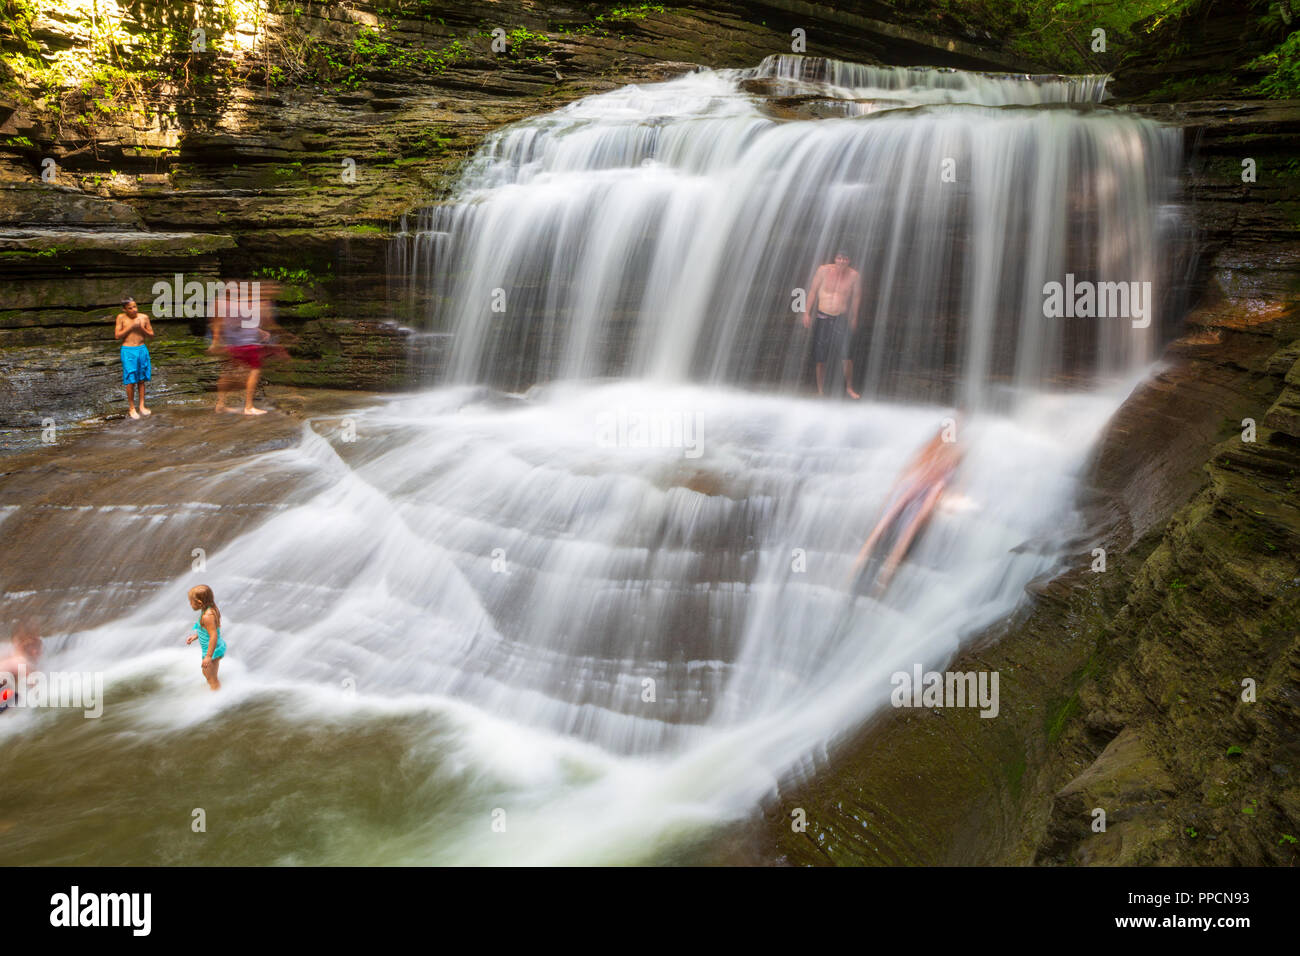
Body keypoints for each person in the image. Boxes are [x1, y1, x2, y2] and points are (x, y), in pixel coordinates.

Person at [850, 422, 963, 595]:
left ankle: (868, 569)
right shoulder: (948, 451)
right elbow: (924, 479)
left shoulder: (939, 449)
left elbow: (916, 474)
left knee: (897, 521)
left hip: (921, 485)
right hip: (921, 486)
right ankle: (880, 575)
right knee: (904, 523)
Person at [210, 280, 287, 415]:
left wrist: (216, 341)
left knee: (228, 373)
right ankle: (249, 407)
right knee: (255, 370)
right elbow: (258, 321)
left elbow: (220, 323)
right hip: (247, 344)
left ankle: (220, 404)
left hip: (231, 344)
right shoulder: (249, 303)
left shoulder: (223, 303)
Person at [802, 251, 861, 399]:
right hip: (822, 317)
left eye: (845, 259)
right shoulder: (823, 270)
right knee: (820, 358)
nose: (841, 261)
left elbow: (856, 297)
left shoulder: (854, 276)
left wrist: (854, 317)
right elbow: (813, 292)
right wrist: (806, 313)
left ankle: (849, 388)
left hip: (841, 318)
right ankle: (820, 390)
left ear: (849, 260)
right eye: (839, 258)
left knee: (847, 356)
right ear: (835, 259)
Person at [114, 295, 154, 419]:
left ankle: (142, 406)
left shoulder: (144, 317)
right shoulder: (121, 318)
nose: (134, 310)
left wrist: (141, 328)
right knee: (130, 380)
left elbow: (151, 335)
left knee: (141, 379)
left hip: (141, 349)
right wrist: (131, 327)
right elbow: (117, 336)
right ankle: (132, 408)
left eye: (135, 306)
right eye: (130, 308)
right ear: (125, 309)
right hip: (128, 350)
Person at [185, 585, 226, 690]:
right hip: (216, 647)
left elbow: (213, 635)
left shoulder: (207, 616)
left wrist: (208, 656)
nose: (189, 604)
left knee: (209, 677)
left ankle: (216, 695)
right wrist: (195, 636)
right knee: (211, 675)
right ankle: (216, 690)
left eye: (191, 602)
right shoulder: (211, 609)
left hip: (212, 650)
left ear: (200, 603)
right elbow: (207, 630)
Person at [0, 625, 42, 712]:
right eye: (35, 647)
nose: (38, 651)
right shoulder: (22, 662)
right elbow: (35, 689)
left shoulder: (12, 656)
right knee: (15, 697)